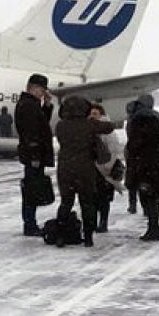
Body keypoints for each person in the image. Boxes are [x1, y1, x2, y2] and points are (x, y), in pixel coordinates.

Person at [54, 96, 112, 247]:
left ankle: (60, 235)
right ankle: (88, 237)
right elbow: (109, 127)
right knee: (87, 203)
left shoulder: (60, 126)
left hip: (65, 168)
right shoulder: (89, 125)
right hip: (85, 169)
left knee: (66, 202)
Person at [125, 93, 159, 241]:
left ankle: (153, 226)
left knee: (146, 193)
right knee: (153, 195)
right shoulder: (156, 116)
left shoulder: (137, 117)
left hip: (142, 162)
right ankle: (154, 225)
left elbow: (135, 142)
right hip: (156, 162)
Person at [14, 74, 55, 236]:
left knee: (33, 188)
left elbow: (40, 125)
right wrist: (35, 156)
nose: (43, 93)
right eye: (42, 90)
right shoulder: (29, 105)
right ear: (34, 88)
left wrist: (47, 105)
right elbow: (32, 133)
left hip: (32, 154)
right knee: (32, 189)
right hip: (33, 156)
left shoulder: (31, 104)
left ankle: (30, 223)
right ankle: (29, 224)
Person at [90, 103, 125, 233]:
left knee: (103, 198)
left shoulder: (107, 131)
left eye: (95, 114)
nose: (92, 116)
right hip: (93, 168)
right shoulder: (89, 128)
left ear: (101, 115)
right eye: (91, 114)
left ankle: (103, 222)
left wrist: (107, 167)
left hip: (104, 168)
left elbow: (114, 150)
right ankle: (93, 222)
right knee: (93, 198)